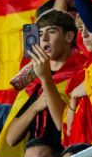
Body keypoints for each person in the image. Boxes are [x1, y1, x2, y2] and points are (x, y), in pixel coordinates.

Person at [5, 10, 83, 148]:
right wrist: (36, 106)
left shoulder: (82, 72)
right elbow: (11, 139)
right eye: (40, 34)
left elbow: (62, 125)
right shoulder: (34, 80)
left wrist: (46, 78)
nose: (44, 38)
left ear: (69, 36)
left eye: (52, 31)